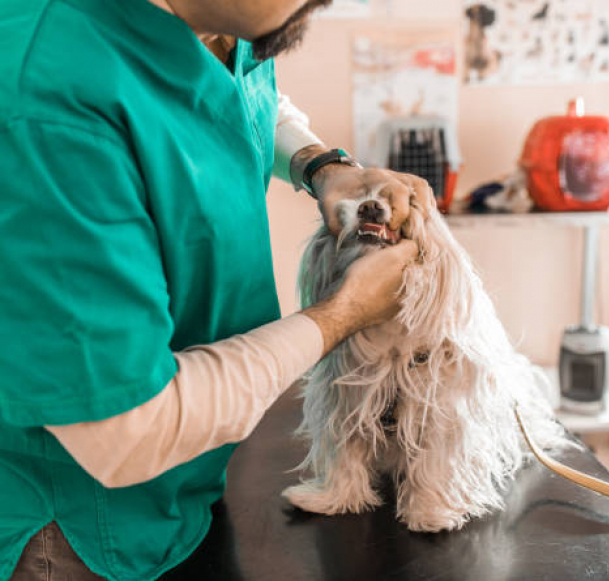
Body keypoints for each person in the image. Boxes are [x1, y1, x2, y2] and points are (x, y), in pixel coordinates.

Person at [0, 0, 436, 579]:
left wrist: (323, 166)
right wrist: (343, 315)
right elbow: (126, 432)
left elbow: (242, 100)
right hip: (85, 528)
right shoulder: (50, 103)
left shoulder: (228, 23)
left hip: (188, 481)